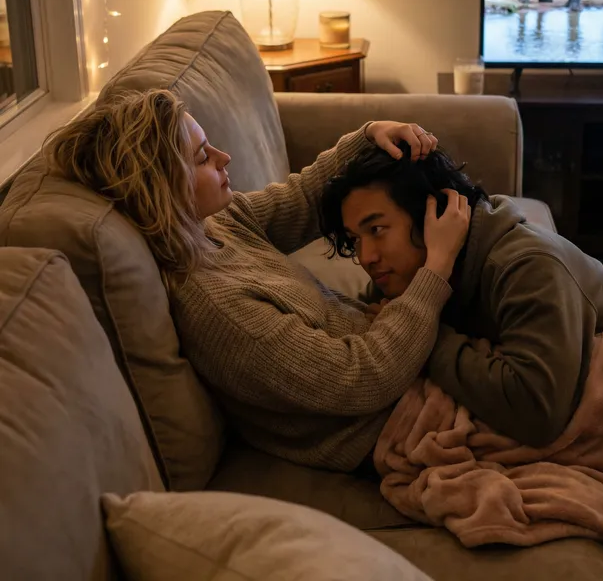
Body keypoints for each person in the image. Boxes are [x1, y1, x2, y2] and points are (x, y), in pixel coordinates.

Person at [45, 88, 472, 472]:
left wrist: (371, 134)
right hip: (388, 422)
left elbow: (303, 197)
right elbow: (361, 378)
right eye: (201, 157)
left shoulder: (216, 225)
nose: (223, 157)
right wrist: (436, 267)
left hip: (401, 361)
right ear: (161, 187)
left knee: (493, 248)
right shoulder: (220, 310)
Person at [319, 144, 603, 449]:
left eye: (376, 230)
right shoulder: (402, 272)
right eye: (355, 239)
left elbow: (537, 413)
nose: (366, 257)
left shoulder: (526, 267)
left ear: (434, 215)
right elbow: (378, 322)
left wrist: (423, 336)